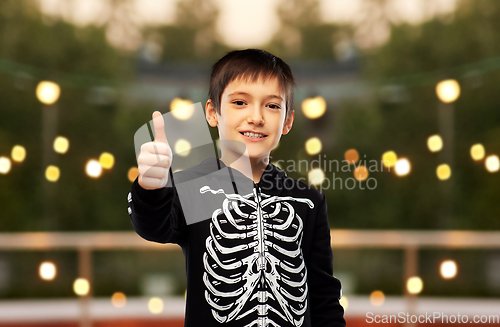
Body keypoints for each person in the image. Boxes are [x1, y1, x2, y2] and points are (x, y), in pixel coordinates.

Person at [127, 49, 346, 327]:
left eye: (272, 106)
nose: (256, 117)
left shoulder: (307, 201)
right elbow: (152, 225)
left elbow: (324, 297)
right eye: (240, 102)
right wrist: (152, 184)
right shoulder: (194, 189)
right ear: (212, 112)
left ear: (288, 121)